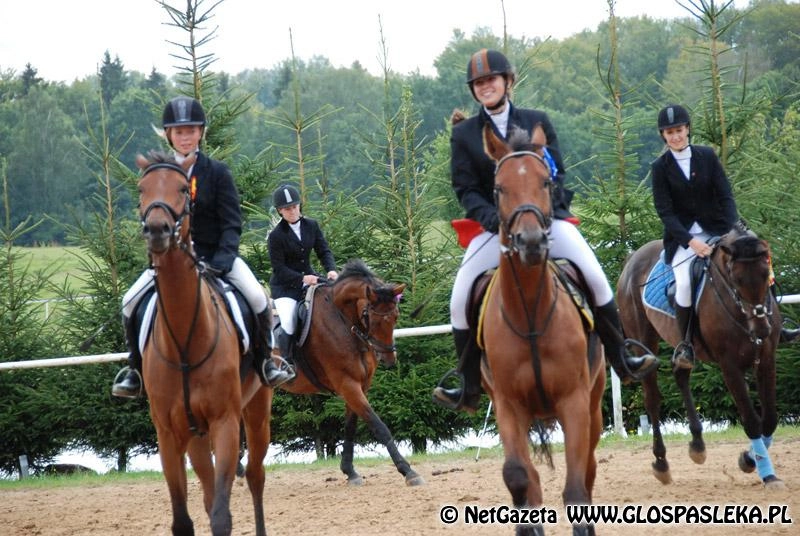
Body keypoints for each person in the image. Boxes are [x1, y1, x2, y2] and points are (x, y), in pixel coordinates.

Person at [432, 49, 659, 412]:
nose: (485, 86)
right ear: (473, 90)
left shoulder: (537, 121)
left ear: (508, 81)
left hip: (544, 223)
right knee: (459, 300)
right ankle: (468, 384)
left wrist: (543, 212)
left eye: (491, 79)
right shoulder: (464, 134)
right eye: (478, 83)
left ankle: (622, 358)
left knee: (595, 277)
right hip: (493, 229)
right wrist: (493, 218)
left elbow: (558, 175)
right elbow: (465, 189)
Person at [111, 96, 294, 398]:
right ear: (168, 135)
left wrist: (222, 260)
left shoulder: (217, 172)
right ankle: (135, 370)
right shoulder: (159, 174)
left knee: (258, 299)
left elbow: (232, 223)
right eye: (179, 131)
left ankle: (265, 364)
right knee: (130, 301)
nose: (186, 137)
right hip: (171, 263)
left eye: (191, 130)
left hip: (218, 257)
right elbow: (152, 219)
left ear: (201, 133)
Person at [651, 104, 799, 371]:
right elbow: (665, 212)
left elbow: (726, 194)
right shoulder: (660, 167)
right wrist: (690, 242)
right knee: (684, 283)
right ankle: (685, 345)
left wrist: (733, 228)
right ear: (664, 135)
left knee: (756, 257)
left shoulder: (706, 156)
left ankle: (779, 325)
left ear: (687, 130)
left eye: (679, 130)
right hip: (685, 238)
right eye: (670, 132)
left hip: (719, 229)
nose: (676, 136)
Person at [267, 184, 339, 362]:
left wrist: (331, 269)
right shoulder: (276, 236)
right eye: (286, 208)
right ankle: (287, 362)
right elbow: (279, 268)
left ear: (299, 206)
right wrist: (301, 278)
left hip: (310, 280)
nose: (291, 211)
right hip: (285, 288)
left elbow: (324, 251)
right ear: (280, 211)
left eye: (294, 206)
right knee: (289, 323)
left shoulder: (311, 225)